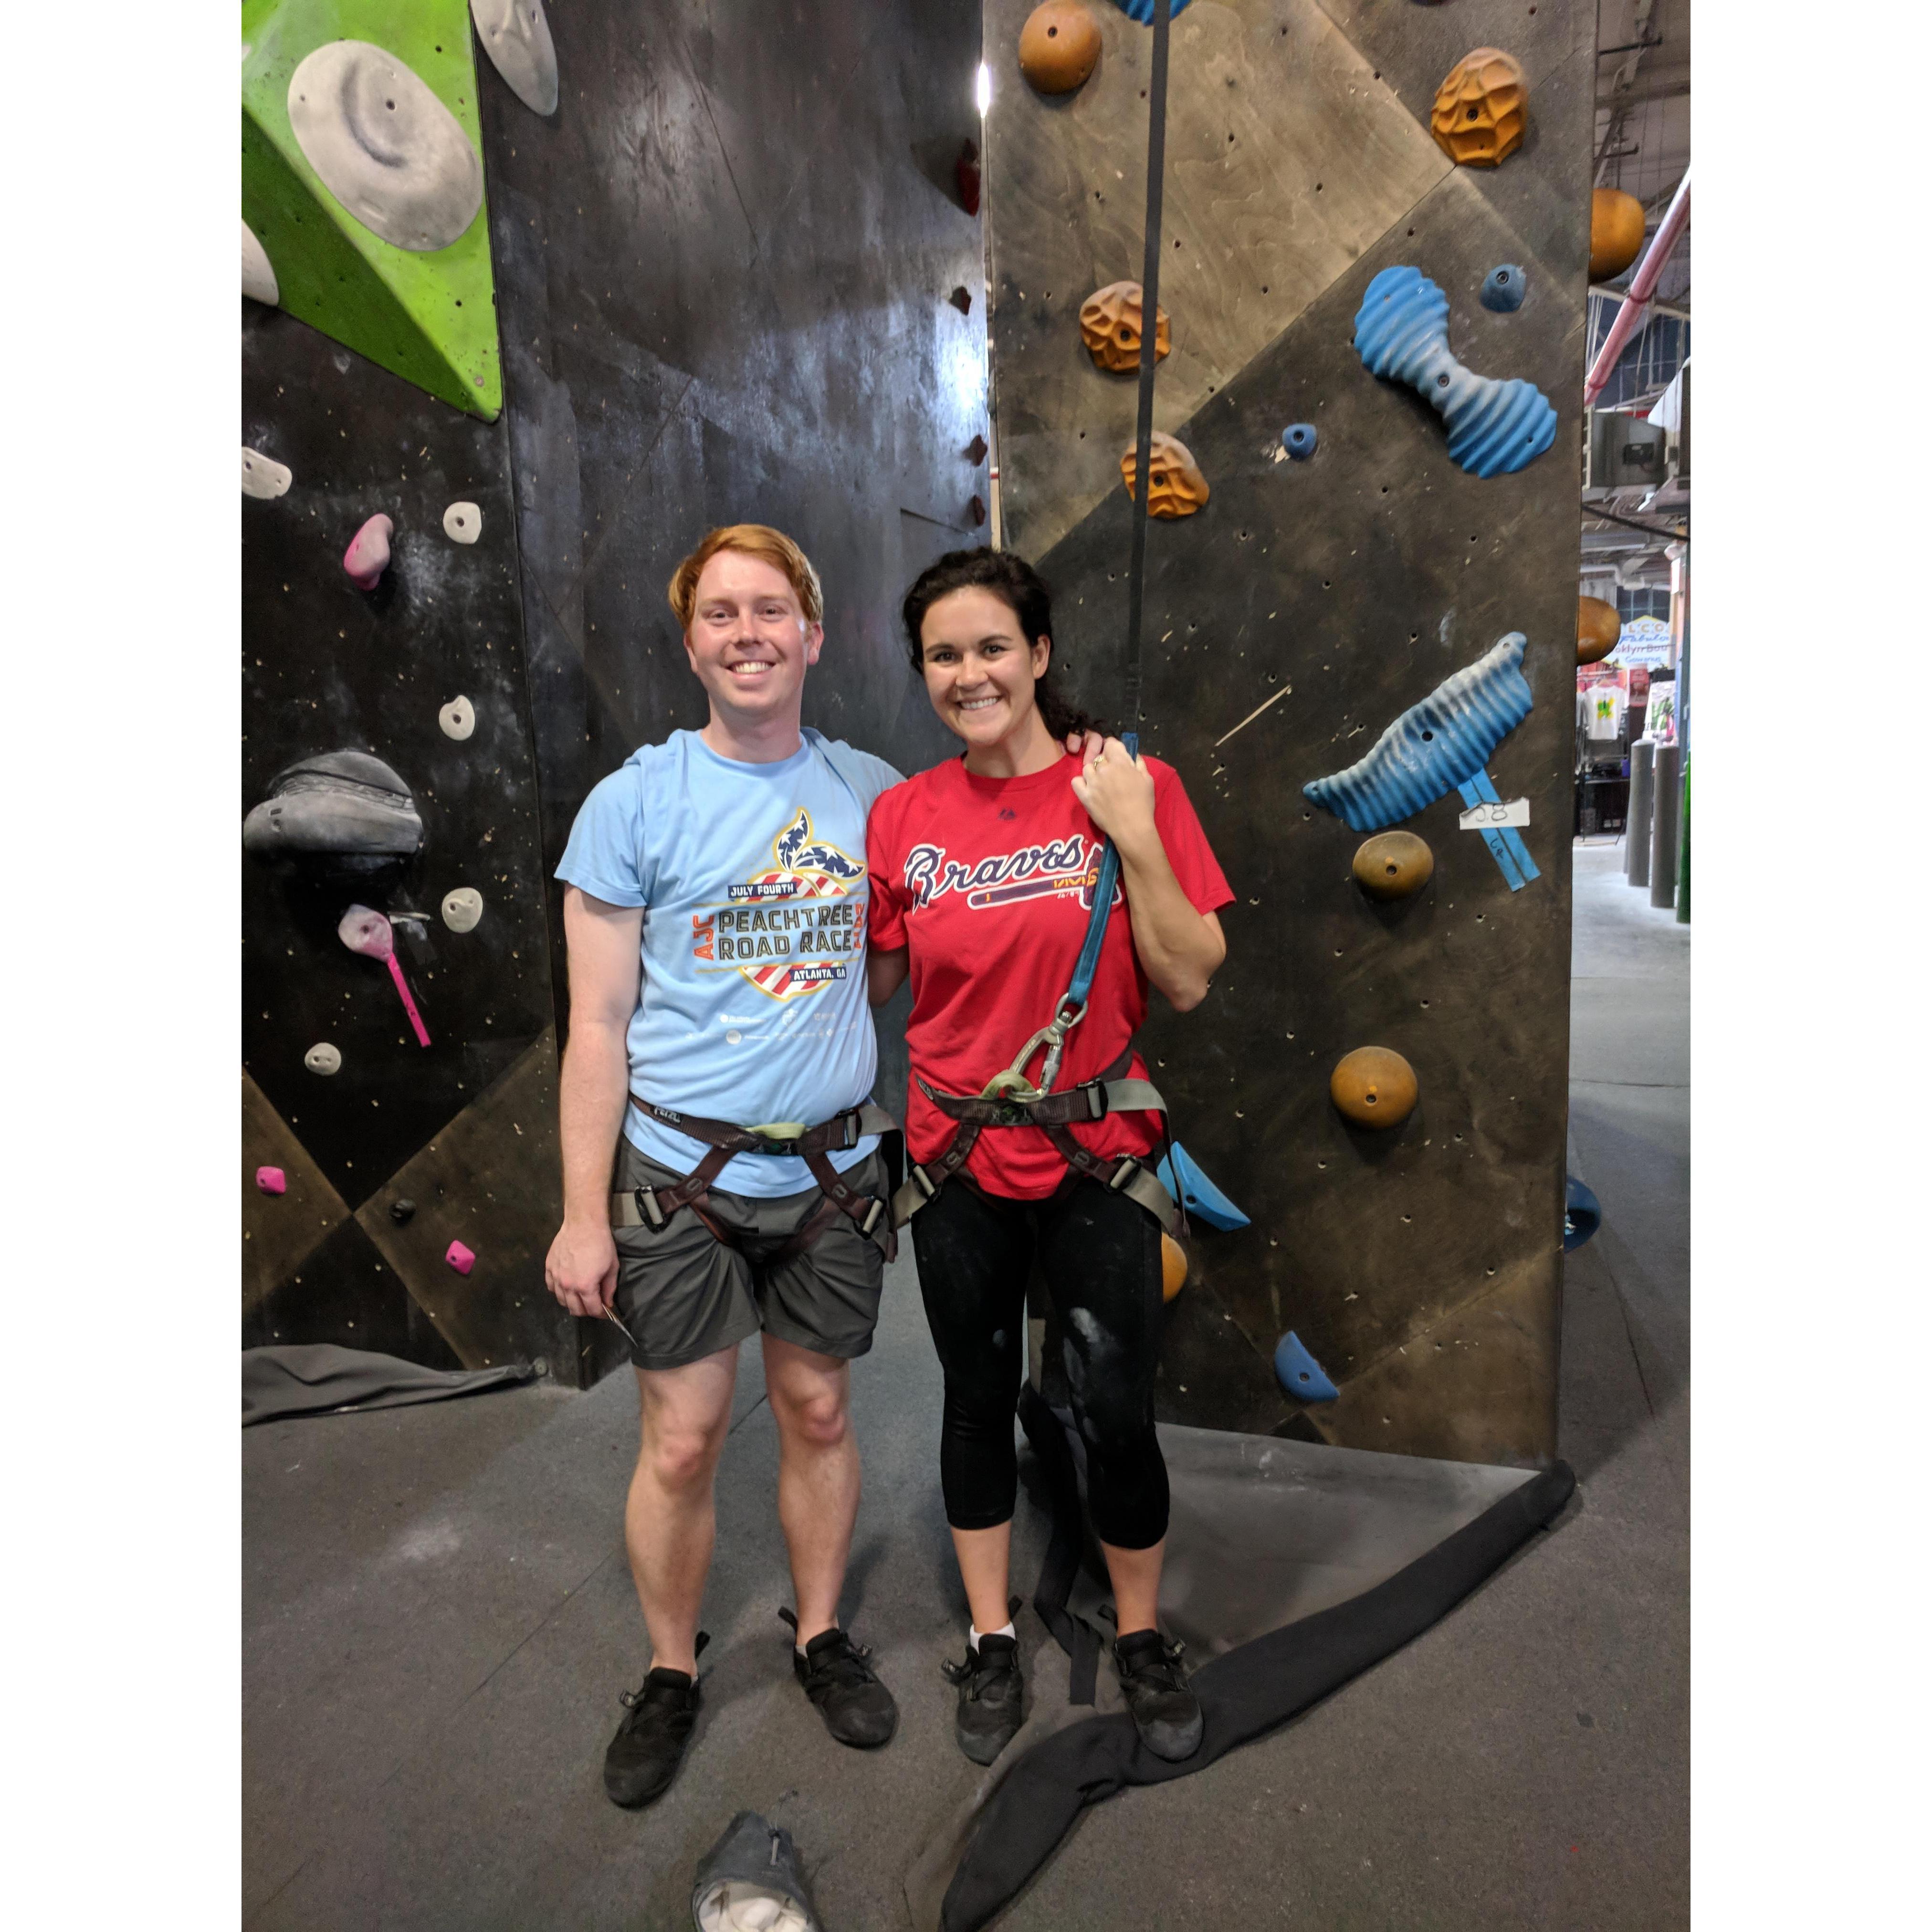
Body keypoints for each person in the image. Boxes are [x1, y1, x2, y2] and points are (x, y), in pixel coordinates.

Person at [545, 524, 905, 1808]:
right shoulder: (633, 803)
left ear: (812, 633)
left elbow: (879, 971)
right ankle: (671, 1670)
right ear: (691, 640)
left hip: (831, 1178)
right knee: (685, 1437)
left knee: (818, 1411)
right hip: (677, 1179)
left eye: (771, 610)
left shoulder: (873, 792)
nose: (746, 633)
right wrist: (584, 1215)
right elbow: (594, 1026)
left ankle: (817, 1639)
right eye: (720, 615)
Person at [865, 548, 1233, 1768]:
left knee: (1117, 1415)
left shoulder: (1132, 785)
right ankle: (988, 1637)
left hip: (1094, 1157)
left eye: (989, 647)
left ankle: (1137, 1637)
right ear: (922, 671)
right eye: (942, 654)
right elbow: (866, 978)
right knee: (974, 1402)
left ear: (1037, 653)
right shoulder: (903, 817)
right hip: (959, 1161)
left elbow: (1184, 974)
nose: (969, 673)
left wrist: (1130, 835)